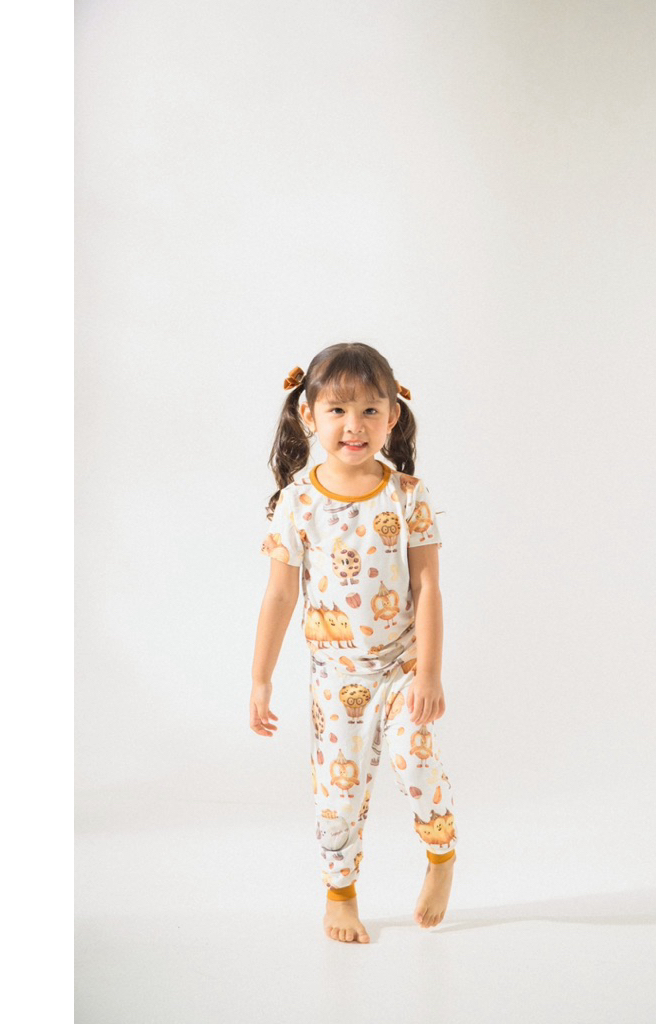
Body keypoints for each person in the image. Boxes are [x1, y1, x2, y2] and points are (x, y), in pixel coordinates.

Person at [251, 342, 457, 944]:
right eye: (338, 410)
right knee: (338, 795)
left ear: (393, 416)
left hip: (402, 667)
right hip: (336, 679)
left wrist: (429, 673)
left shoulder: (408, 495)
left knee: (416, 761)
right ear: (308, 414)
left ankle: (441, 856)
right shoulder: (299, 502)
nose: (354, 425)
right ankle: (340, 896)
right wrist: (260, 678)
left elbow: (427, 587)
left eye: (370, 410)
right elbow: (280, 596)